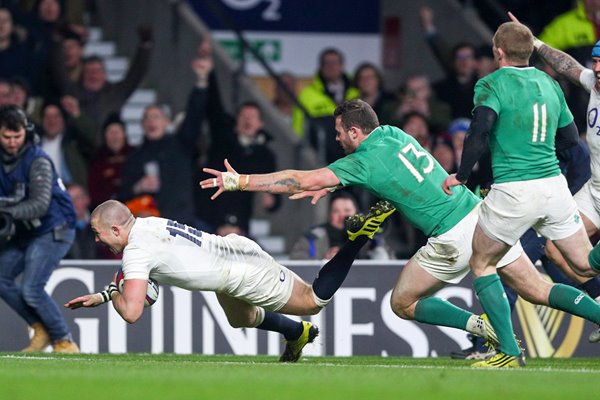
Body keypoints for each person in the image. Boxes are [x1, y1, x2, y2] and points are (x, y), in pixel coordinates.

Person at [202, 99, 600, 368]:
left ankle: (486, 332)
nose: (338, 138)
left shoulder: (363, 159)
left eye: (340, 132)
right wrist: (332, 183)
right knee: (538, 290)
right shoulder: (393, 134)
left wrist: (240, 181)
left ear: (355, 133)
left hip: (451, 235)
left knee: (402, 302)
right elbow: (385, 173)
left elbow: (296, 180)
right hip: (480, 215)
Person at [64, 198, 395, 362]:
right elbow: (147, 269)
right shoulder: (145, 225)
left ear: (118, 229)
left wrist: (120, 291)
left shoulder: (135, 250)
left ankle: (357, 239)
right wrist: (109, 294)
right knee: (242, 318)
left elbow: (133, 312)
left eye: (98, 233)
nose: (97, 240)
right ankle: (297, 332)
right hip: (229, 261)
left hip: (241, 271)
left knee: (312, 300)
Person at [442, 21, 598, 367]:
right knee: (585, 264)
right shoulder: (549, 82)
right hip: (555, 187)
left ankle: (509, 352)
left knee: (482, 263)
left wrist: (462, 175)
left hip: (514, 190)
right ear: (528, 52)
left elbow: (479, 132)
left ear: (498, 52)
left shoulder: (491, 83)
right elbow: (571, 140)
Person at [509, 12, 600, 341]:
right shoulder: (594, 83)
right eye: (596, 62)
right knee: (554, 251)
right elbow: (565, 65)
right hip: (594, 192)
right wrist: (534, 42)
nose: (597, 69)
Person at [0, 105, 78, 352]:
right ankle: (40, 327)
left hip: (55, 227)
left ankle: (64, 340)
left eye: (17, 136)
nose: (12, 142)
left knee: (32, 288)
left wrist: (4, 210)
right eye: (6, 137)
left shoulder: (38, 160)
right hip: (27, 231)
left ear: (26, 132)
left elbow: (40, 206)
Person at [292, 47, 360, 163]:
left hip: (353, 156)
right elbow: (298, 128)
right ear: (321, 66)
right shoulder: (307, 94)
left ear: (342, 66)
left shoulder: (357, 92)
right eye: (326, 63)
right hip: (320, 158)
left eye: (335, 63)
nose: (331, 67)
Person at [290, 191, 390, 260]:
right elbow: (297, 262)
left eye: (347, 211)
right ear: (329, 214)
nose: (342, 216)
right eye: (336, 211)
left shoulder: (371, 235)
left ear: (357, 213)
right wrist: (324, 259)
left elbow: (391, 263)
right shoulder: (312, 237)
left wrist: (374, 247)